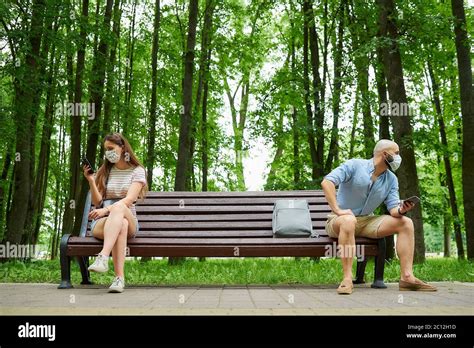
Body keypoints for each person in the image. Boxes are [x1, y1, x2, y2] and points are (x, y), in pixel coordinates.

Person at [321, 139, 437, 295]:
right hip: (339, 221)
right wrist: (337, 210)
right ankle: (347, 279)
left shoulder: (391, 179)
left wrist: (402, 209)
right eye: (396, 153)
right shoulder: (355, 165)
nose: (398, 157)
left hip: (366, 221)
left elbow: (393, 209)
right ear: (385, 154)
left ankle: (407, 278)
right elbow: (327, 182)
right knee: (349, 220)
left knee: (406, 223)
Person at [83, 133, 147, 293]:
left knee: (120, 209)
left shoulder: (138, 171)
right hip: (104, 223)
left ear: (123, 148)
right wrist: (91, 180)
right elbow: (98, 202)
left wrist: (106, 209)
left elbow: (129, 199)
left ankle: (103, 256)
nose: (108, 153)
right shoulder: (105, 171)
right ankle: (119, 279)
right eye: (106, 150)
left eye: (111, 148)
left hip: (129, 217)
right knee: (121, 225)